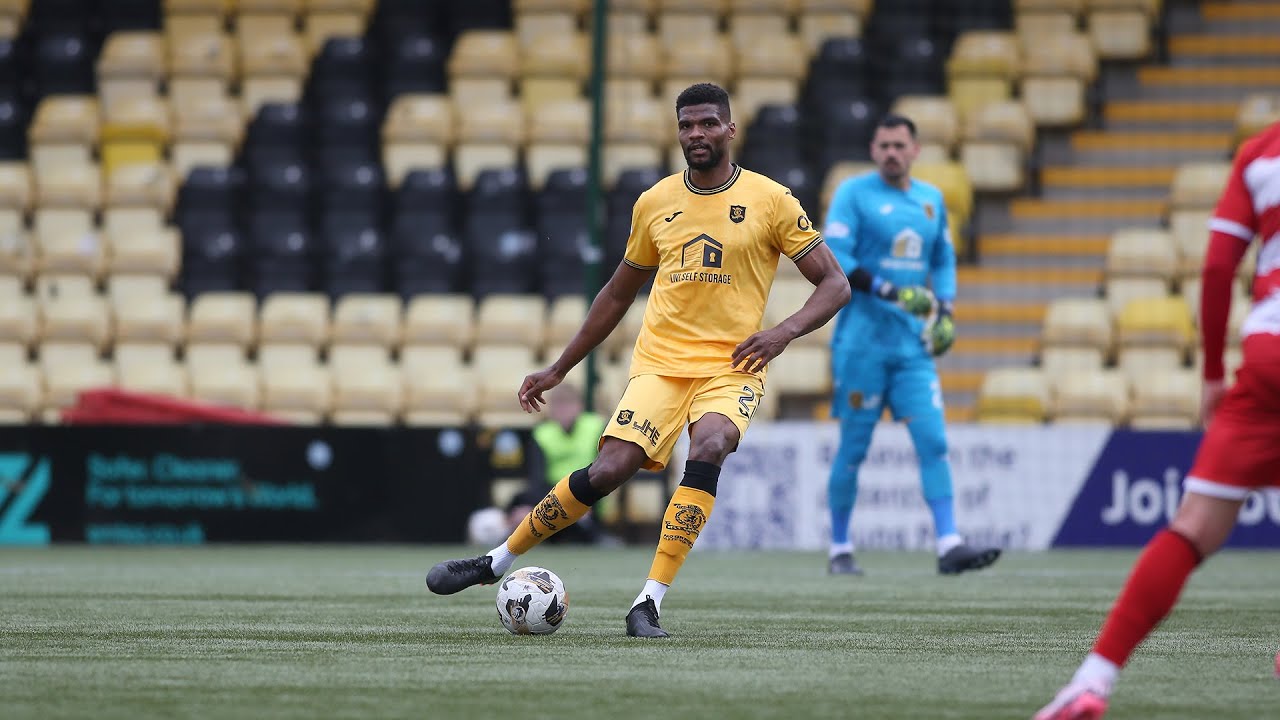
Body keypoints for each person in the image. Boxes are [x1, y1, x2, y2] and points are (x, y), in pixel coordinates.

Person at [425, 82, 851, 637]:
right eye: (686, 125)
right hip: (661, 365)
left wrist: (783, 332)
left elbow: (835, 284)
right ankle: (495, 561)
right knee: (610, 470)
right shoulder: (654, 203)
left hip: (732, 365)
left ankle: (648, 602)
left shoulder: (772, 200)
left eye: (707, 123)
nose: (696, 134)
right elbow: (616, 294)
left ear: (730, 128)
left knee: (712, 444)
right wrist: (559, 368)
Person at [1034, 121, 1280, 720]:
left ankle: (1093, 680)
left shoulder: (1260, 154)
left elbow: (1218, 269)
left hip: (1269, 354)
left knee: (1192, 528)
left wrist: (1213, 376)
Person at [823, 114, 1000, 576]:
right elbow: (836, 256)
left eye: (899, 146)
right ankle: (840, 548)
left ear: (915, 150)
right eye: (884, 146)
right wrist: (889, 291)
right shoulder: (852, 194)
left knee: (934, 441)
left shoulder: (931, 199)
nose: (891, 153)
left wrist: (946, 309)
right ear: (873, 149)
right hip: (861, 345)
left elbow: (943, 259)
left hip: (911, 348)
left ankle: (949, 544)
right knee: (854, 448)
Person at [505, 383, 608, 545]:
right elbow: (536, 479)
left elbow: (606, 470)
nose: (563, 410)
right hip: (552, 497)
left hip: (587, 498)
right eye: (558, 405)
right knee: (521, 506)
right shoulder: (542, 434)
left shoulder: (596, 427)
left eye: (568, 404)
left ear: (580, 406)